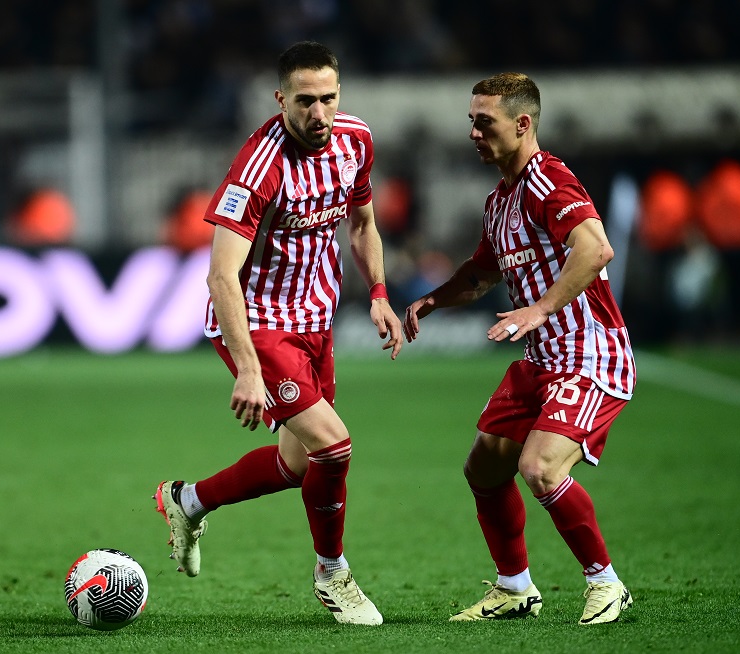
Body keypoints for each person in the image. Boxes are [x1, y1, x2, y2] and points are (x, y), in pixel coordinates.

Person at [154, 41, 402, 626]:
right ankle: (332, 574)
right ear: (281, 100)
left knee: (299, 465)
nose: (319, 113)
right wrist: (247, 367)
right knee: (334, 446)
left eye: (329, 99)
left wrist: (379, 292)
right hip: (259, 322)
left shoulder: (356, 140)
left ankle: (187, 500)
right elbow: (221, 275)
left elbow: (363, 223)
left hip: (315, 320)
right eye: (305, 101)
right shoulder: (258, 168)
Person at [403, 72, 636, 625]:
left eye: (485, 123)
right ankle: (515, 589)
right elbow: (482, 274)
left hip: (589, 354)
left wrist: (540, 309)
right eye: (471, 122)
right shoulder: (500, 200)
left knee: (540, 467)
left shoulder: (549, 180)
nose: (474, 133)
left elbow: (595, 249)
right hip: (541, 361)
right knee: (484, 468)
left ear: (522, 123)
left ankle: (606, 584)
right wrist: (432, 300)